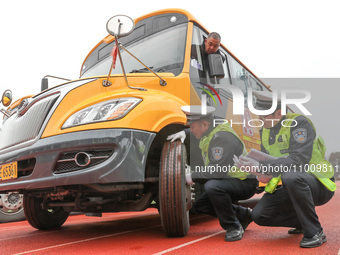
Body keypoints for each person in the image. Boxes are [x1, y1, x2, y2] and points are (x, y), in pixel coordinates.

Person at [233, 91, 336, 248]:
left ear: (279, 113)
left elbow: (298, 160)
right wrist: (262, 174)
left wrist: (263, 167)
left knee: (291, 176)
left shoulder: (299, 124)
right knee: (259, 215)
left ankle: (315, 231)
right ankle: (303, 221)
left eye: (263, 117)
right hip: (291, 182)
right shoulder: (265, 131)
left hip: (319, 183)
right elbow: (269, 161)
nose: (260, 120)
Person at [167, 105, 258, 242]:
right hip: (230, 180)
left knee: (212, 186)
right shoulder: (212, 125)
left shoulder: (222, 138)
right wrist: (185, 133)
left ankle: (233, 227)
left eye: (193, 127)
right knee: (200, 206)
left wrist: (192, 177)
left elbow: (217, 171)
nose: (192, 130)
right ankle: (244, 215)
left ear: (204, 124)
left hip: (245, 182)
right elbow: (203, 124)